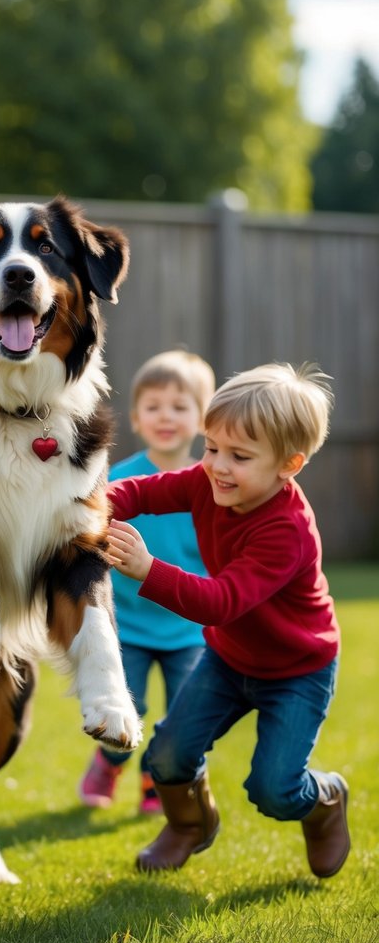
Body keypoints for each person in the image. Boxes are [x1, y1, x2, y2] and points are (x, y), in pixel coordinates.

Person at [106, 362, 350, 879]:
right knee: (168, 755)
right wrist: (93, 504)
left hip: (296, 670)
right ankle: (190, 824)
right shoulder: (207, 481)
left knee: (275, 790)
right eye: (212, 447)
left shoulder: (285, 531)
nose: (215, 465)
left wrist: (147, 570)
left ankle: (326, 799)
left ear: (290, 463)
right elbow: (144, 490)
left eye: (238, 456)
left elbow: (220, 601)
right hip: (230, 657)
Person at [78, 349, 215, 814]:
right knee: (123, 715)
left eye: (180, 407)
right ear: (136, 417)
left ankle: (156, 784)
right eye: (154, 407)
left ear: (202, 418)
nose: (166, 417)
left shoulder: (214, 486)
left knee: (185, 717)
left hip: (188, 632)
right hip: (129, 628)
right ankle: (109, 760)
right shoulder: (119, 481)